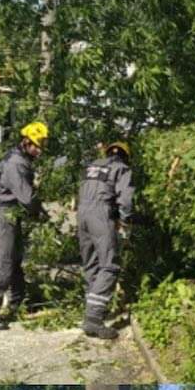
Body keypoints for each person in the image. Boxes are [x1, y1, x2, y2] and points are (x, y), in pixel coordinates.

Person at [0, 121, 49, 330]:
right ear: (26, 142)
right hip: (1, 214)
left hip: (10, 212)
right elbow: (26, 197)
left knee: (15, 258)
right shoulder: (16, 163)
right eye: (37, 145)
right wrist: (37, 210)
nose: (39, 150)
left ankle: (18, 299)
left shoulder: (21, 158)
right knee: (3, 263)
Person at [76, 140, 136, 339]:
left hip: (82, 214)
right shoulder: (122, 168)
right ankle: (94, 320)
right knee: (110, 265)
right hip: (101, 215)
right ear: (125, 156)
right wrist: (125, 220)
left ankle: (91, 311)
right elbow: (125, 199)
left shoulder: (91, 166)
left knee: (91, 264)